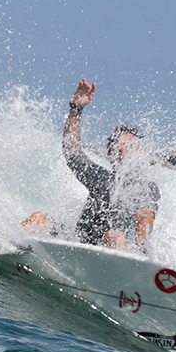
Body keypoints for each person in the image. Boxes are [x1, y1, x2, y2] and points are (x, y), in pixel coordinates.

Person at [22, 78, 159, 253]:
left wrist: (144, 248)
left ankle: (119, 271)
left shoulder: (146, 188)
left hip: (117, 251)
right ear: (110, 158)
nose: (123, 153)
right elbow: (72, 153)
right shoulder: (100, 178)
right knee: (38, 219)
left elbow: (145, 217)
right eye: (118, 149)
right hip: (78, 242)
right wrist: (76, 109)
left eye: (130, 148)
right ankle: (8, 249)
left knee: (114, 235)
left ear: (141, 154)